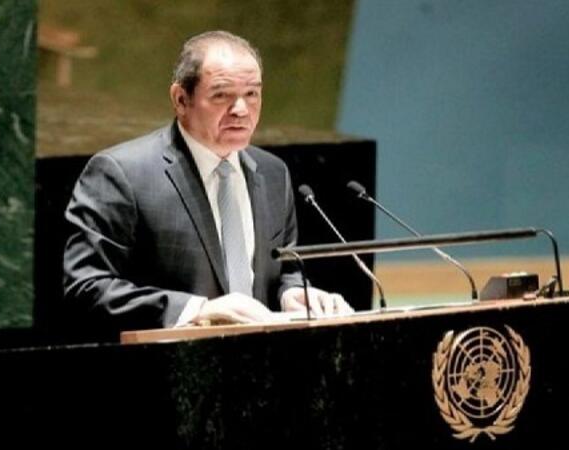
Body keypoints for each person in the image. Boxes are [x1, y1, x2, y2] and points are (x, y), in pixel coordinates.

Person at [63, 30, 352, 339]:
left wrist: (292, 294)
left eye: (252, 94)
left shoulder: (273, 173)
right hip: (169, 363)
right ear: (181, 99)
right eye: (221, 95)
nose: (241, 109)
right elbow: (86, 287)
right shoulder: (122, 173)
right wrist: (196, 311)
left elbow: (283, 271)